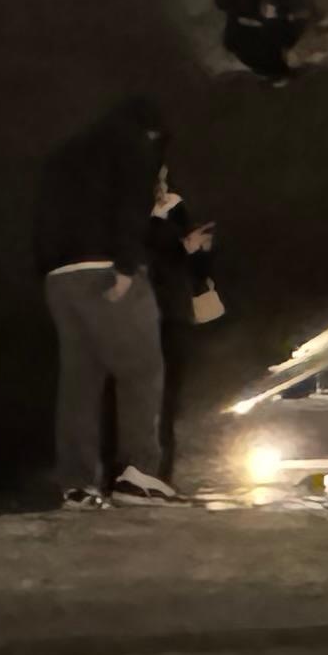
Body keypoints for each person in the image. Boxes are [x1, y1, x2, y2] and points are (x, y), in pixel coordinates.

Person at [32, 97, 168, 510]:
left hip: (60, 276)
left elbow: (44, 218)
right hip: (106, 267)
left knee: (80, 382)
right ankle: (140, 476)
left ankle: (77, 483)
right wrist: (127, 266)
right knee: (142, 369)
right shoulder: (132, 146)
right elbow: (130, 206)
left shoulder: (63, 157)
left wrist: (48, 271)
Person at [120, 170, 213, 495]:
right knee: (146, 393)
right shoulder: (138, 217)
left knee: (168, 396)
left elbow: (193, 263)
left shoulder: (176, 210)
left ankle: (159, 475)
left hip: (172, 312)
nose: (162, 186)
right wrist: (175, 239)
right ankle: (140, 472)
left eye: (164, 178)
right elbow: (145, 252)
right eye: (157, 179)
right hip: (145, 312)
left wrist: (197, 248)